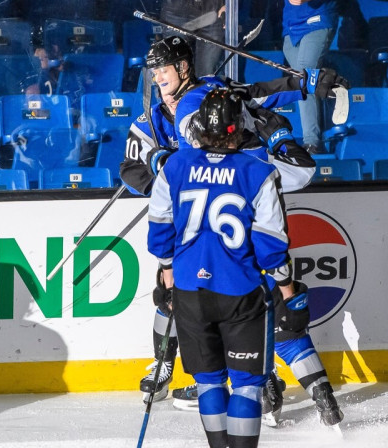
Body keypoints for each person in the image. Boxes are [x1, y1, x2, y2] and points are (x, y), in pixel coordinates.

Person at [121, 37, 347, 423]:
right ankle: (170, 367)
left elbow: (259, 95)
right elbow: (129, 170)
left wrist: (302, 85)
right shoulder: (151, 120)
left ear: (185, 69)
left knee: (227, 306)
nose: (158, 77)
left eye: (165, 68)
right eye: (154, 71)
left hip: (222, 229)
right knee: (194, 303)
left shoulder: (214, 95)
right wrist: (162, 168)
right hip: (202, 230)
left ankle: (246, 380)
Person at [146, 87, 303, 448]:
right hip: (240, 293)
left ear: (199, 127)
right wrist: (288, 292)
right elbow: (271, 245)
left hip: (189, 291)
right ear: (239, 127)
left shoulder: (176, 166)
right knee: (247, 386)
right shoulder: (258, 172)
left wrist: (167, 270)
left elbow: (159, 228)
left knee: (208, 382)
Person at [281, 0, 338, 154]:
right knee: (307, 84)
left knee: (304, 77)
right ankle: (323, 134)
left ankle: (311, 142)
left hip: (316, 22)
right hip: (291, 29)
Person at [160, 0, 227, 75]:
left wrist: (228, 4)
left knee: (205, 70)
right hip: (176, 10)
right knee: (176, 68)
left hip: (213, 9)